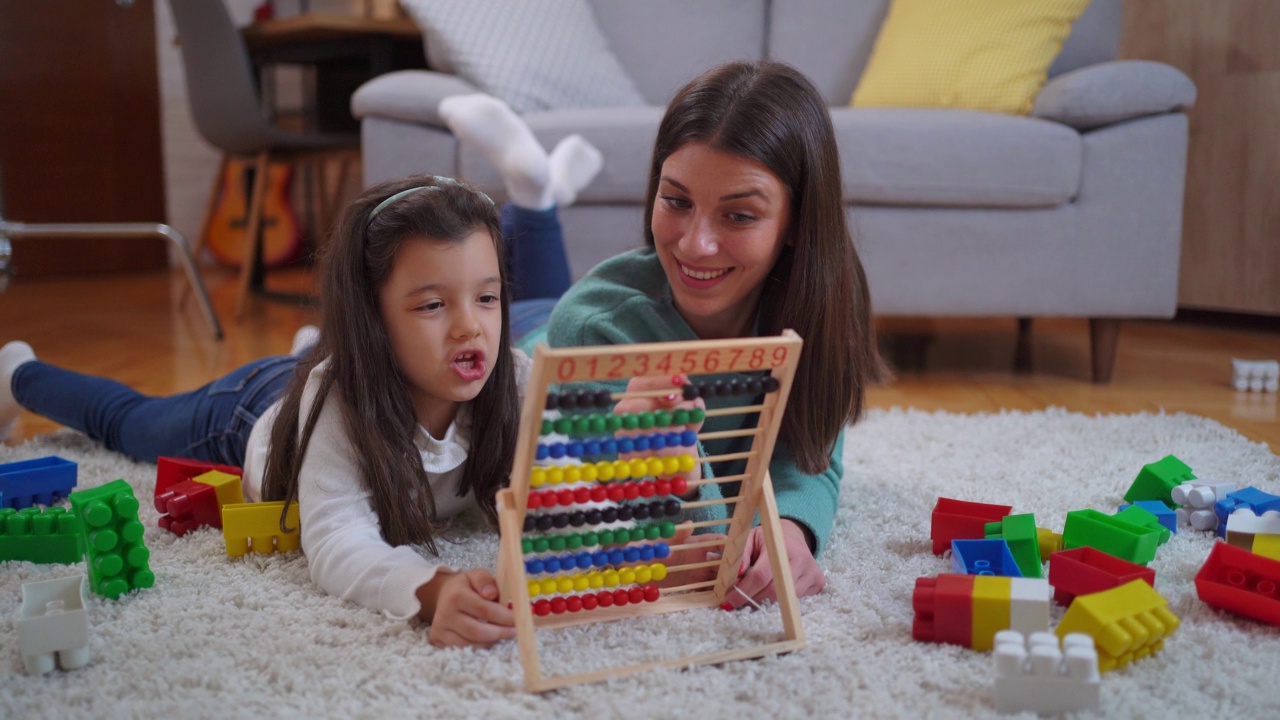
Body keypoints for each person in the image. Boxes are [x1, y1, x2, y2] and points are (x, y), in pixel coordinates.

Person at [0, 162, 600, 648]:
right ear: (371, 320)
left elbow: (568, 483)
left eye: (488, 297)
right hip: (251, 412)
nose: (471, 327)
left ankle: (311, 348)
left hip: (337, 372)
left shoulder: (515, 383)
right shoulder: (335, 400)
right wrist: (429, 589)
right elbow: (336, 541)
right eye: (432, 306)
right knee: (129, 424)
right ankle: (19, 373)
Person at [440, 60, 889, 611]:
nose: (695, 244)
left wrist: (793, 530)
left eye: (740, 216)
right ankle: (535, 199)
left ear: (797, 221)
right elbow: (677, 539)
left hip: (570, 308)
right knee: (334, 368)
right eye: (676, 201)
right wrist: (673, 455)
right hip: (525, 341)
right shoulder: (596, 327)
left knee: (540, 291)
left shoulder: (819, 307)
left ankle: (537, 198)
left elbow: (812, 456)